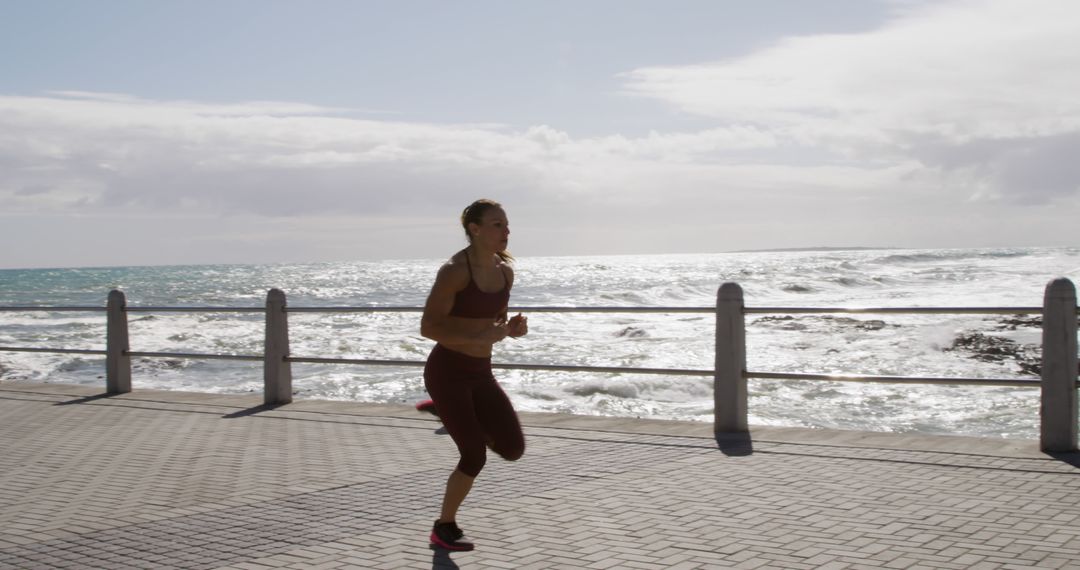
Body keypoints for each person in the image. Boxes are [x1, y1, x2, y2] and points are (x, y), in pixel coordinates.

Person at [418, 199, 528, 551]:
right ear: (475, 229)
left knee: (512, 448)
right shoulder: (454, 270)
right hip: (447, 372)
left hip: (481, 372)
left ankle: (449, 413)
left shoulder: (505, 272)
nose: (506, 231)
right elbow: (429, 326)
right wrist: (478, 337)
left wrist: (511, 330)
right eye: (497, 224)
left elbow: (494, 323)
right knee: (474, 455)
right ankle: (444, 527)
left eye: (507, 225)